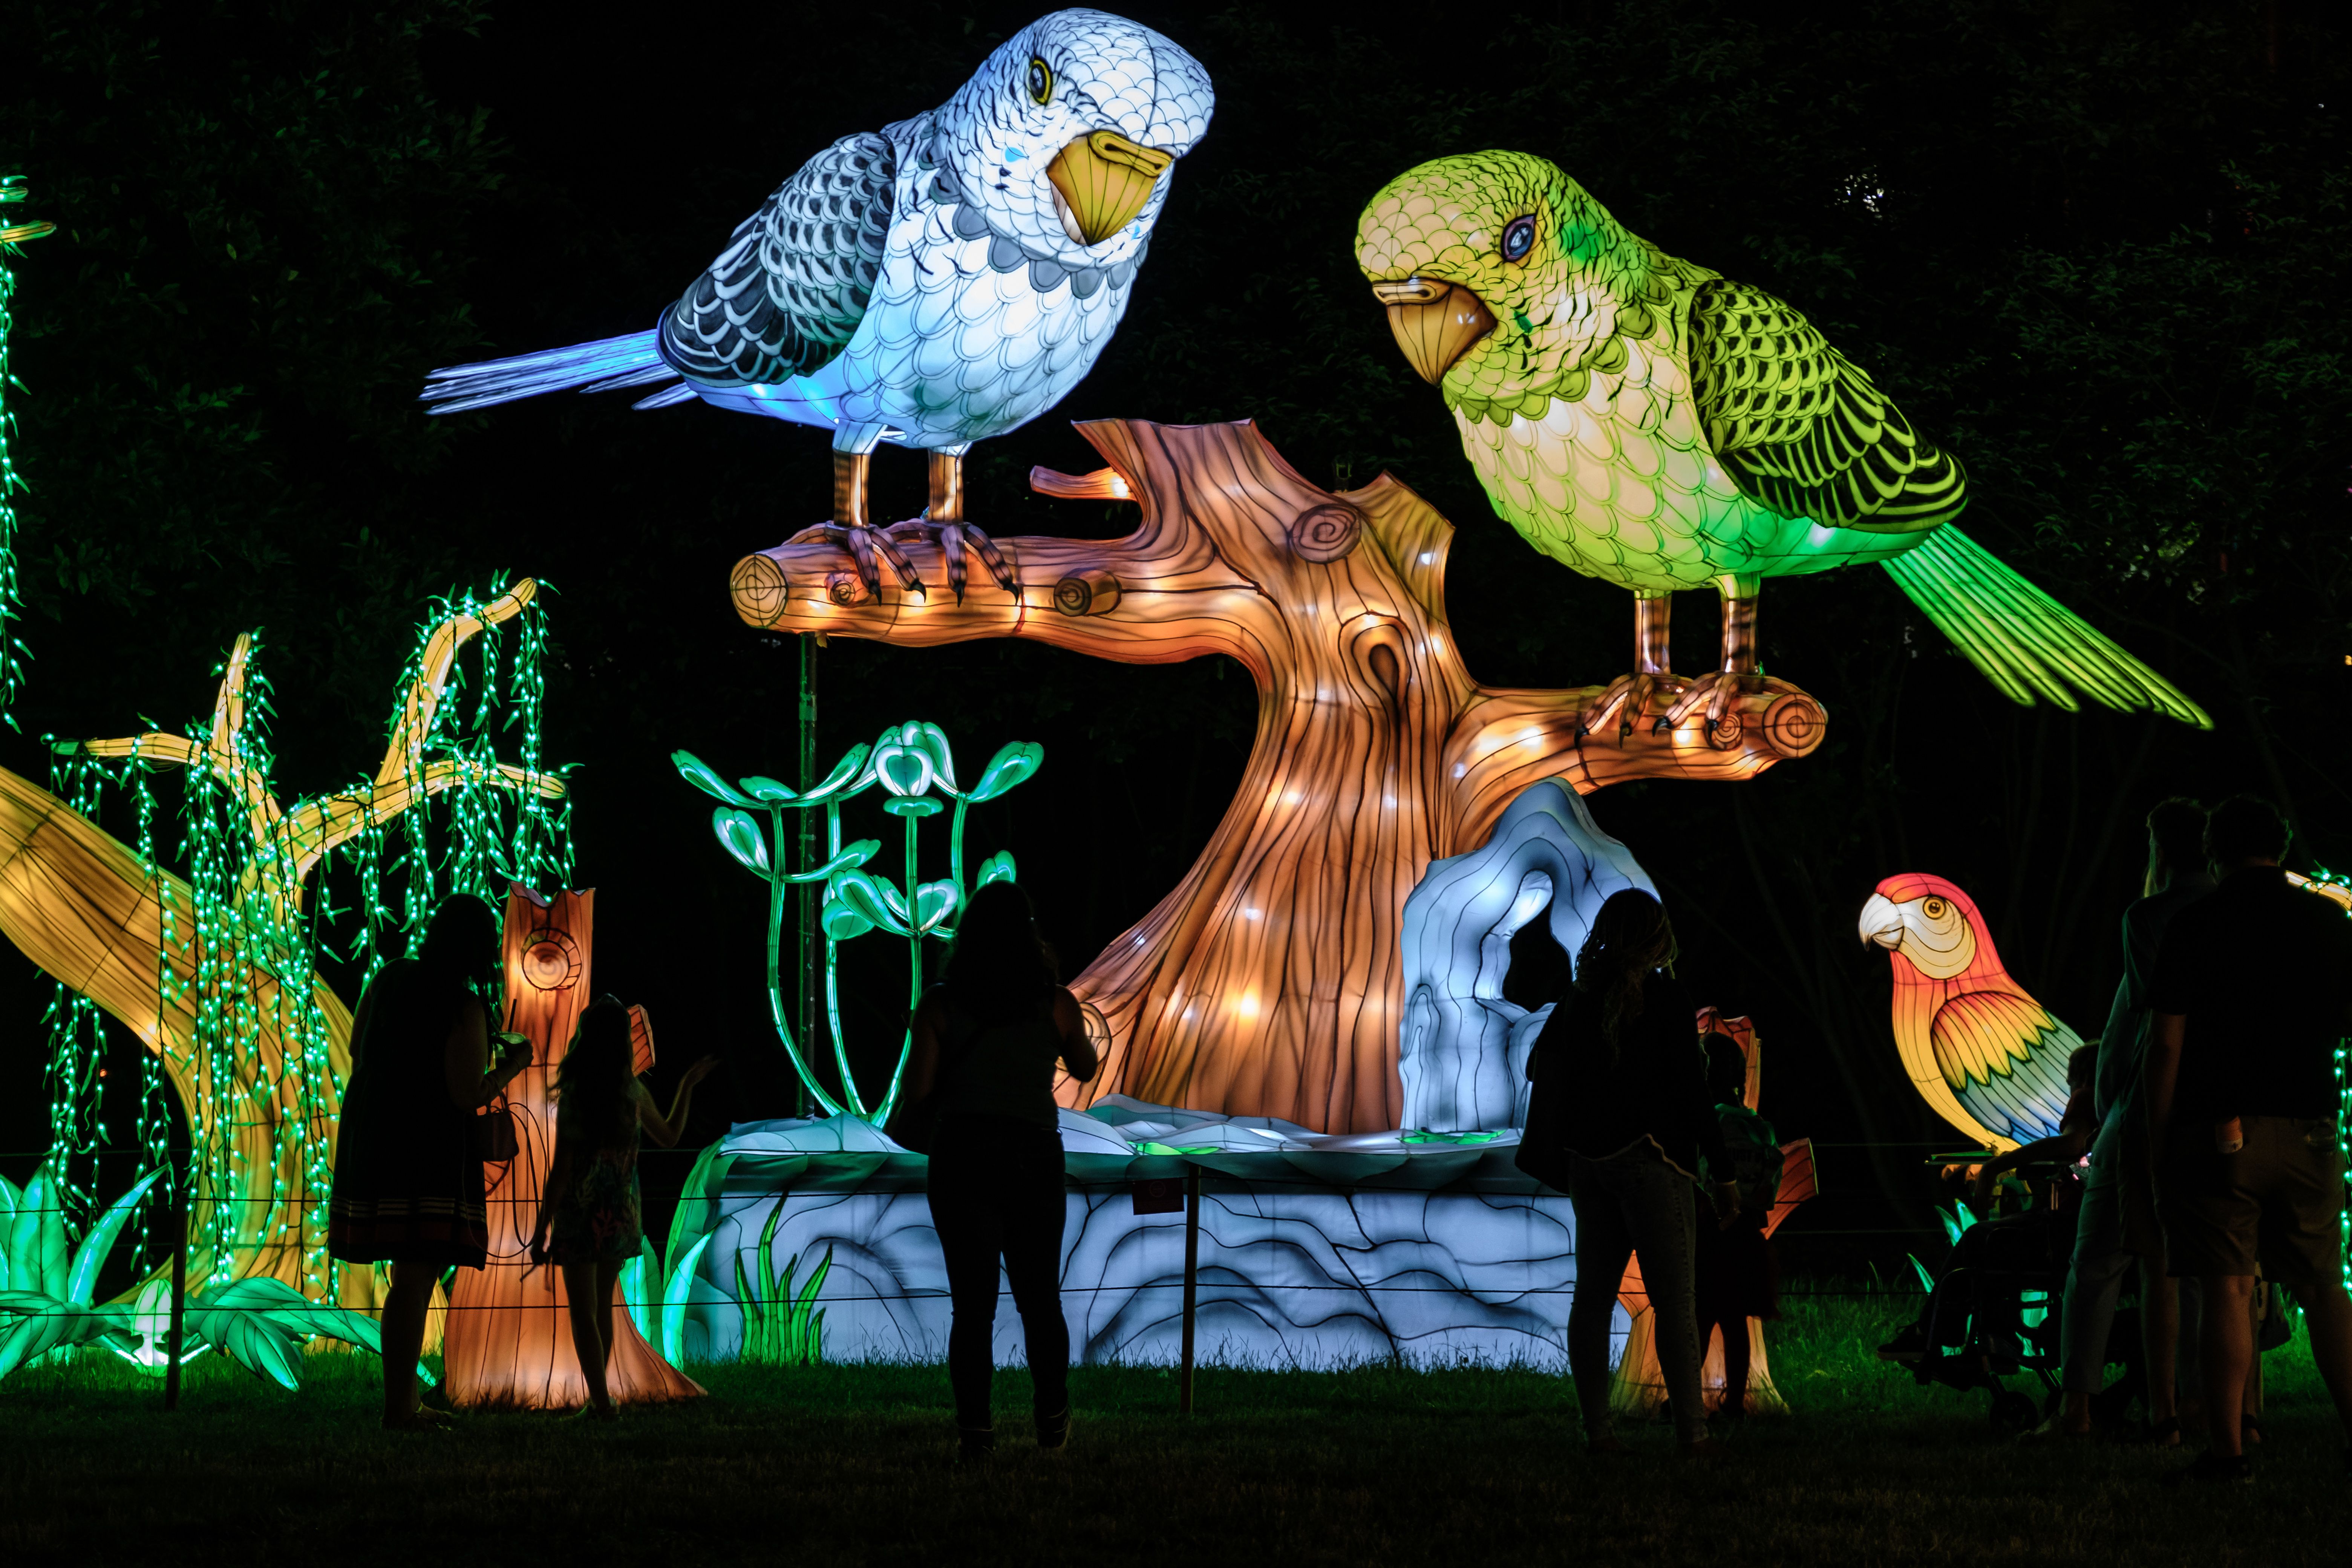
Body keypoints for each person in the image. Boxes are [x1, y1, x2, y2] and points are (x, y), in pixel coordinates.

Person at [2145, 794, 2352, 1484]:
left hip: (2217, 1132)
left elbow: (2166, 1045)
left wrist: (2159, 1134)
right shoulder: (2329, 923)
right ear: (2284, 847)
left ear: (2215, 851)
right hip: (2312, 1128)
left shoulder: (2194, 924)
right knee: (2325, 1287)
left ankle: (2228, 1452)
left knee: (2227, 1287)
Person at [1524, 888, 1736, 1456]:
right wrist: (1724, 1172)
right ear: (1655, 936)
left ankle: (1598, 1432)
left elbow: (1538, 1067)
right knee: (1675, 1302)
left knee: (1590, 1299)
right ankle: (1693, 1433)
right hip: (1653, 1162)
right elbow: (1694, 1093)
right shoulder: (1665, 998)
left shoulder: (1578, 998)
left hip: (1587, 1166)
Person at [900, 881, 1099, 1459]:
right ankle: (1052, 1414)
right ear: (1029, 935)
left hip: (962, 1156)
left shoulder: (940, 1003)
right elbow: (1085, 1069)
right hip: (1034, 1157)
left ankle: (977, 1433)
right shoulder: (1056, 1002)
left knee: (973, 1306)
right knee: (1041, 1300)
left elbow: (917, 1090)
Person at [2044, 798, 2211, 1442]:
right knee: (2192, 1268)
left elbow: (2156, 1021)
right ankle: (2195, 1405)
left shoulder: (2150, 919)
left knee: (2097, 1262)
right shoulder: (2220, 915)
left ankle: (2080, 1406)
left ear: (2161, 851)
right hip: (2185, 1112)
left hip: (2142, 1112)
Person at [328, 894, 528, 1430]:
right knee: (416, 1276)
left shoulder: (391, 977)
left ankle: (405, 1401)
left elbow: (356, 1048)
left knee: (407, 1277)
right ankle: (400, 1409)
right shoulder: (463, 1007)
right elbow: (466, 1095)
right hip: (427, 1148)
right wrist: (513, 1068)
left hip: (375, 1135)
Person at [530, 998, 716, 1418]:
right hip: (620, 1213)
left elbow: (561, 1171)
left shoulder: (578, 1093)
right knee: (602, 1306)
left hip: (580, 1213)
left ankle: (600, 1402)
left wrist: (542, 1226)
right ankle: (600, 1401)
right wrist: (686, 1085)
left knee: (583, 1312)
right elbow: (669, 1136)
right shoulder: (632, 1091)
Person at [1693, 1034, 1782, 1423]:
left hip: (1711, 1230)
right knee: (1735, 1320)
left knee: (1699, 1316)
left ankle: (1683, 1398)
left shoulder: (1709, 1121)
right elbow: (1769, 1189)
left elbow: (1698, 1175)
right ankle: (1734, 1403)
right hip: (1746, 1231)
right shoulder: (1759, 1126)